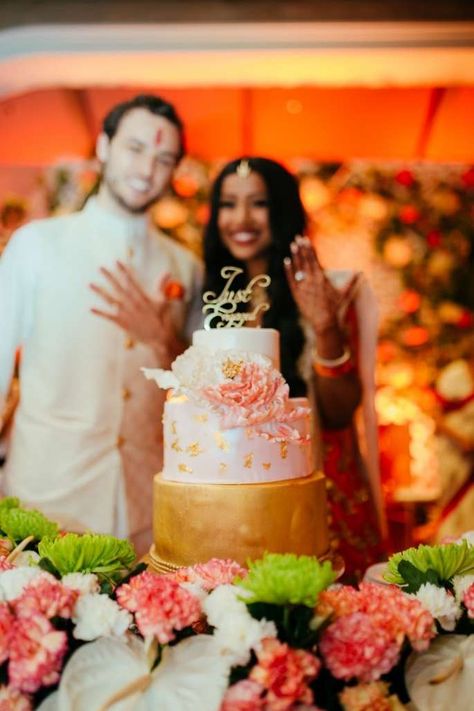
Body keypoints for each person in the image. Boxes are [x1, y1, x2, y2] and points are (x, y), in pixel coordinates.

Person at [0, 94, 203, 554]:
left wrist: (163, 337)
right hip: (47, 492)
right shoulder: (37, 244)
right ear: (104, 146)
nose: (147, 169)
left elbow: (199, 389)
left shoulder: (184, 266)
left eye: (164, 158)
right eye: (135, 149)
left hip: (149, 499)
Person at [203, 156, 386, 578]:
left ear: (282, 210)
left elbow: (340, 413)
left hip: (318, 500)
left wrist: (325, 328)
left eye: (259, 204)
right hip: (233, 504)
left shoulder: (330, 290)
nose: (241, 219)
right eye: (228, 204)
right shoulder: (207, 295)